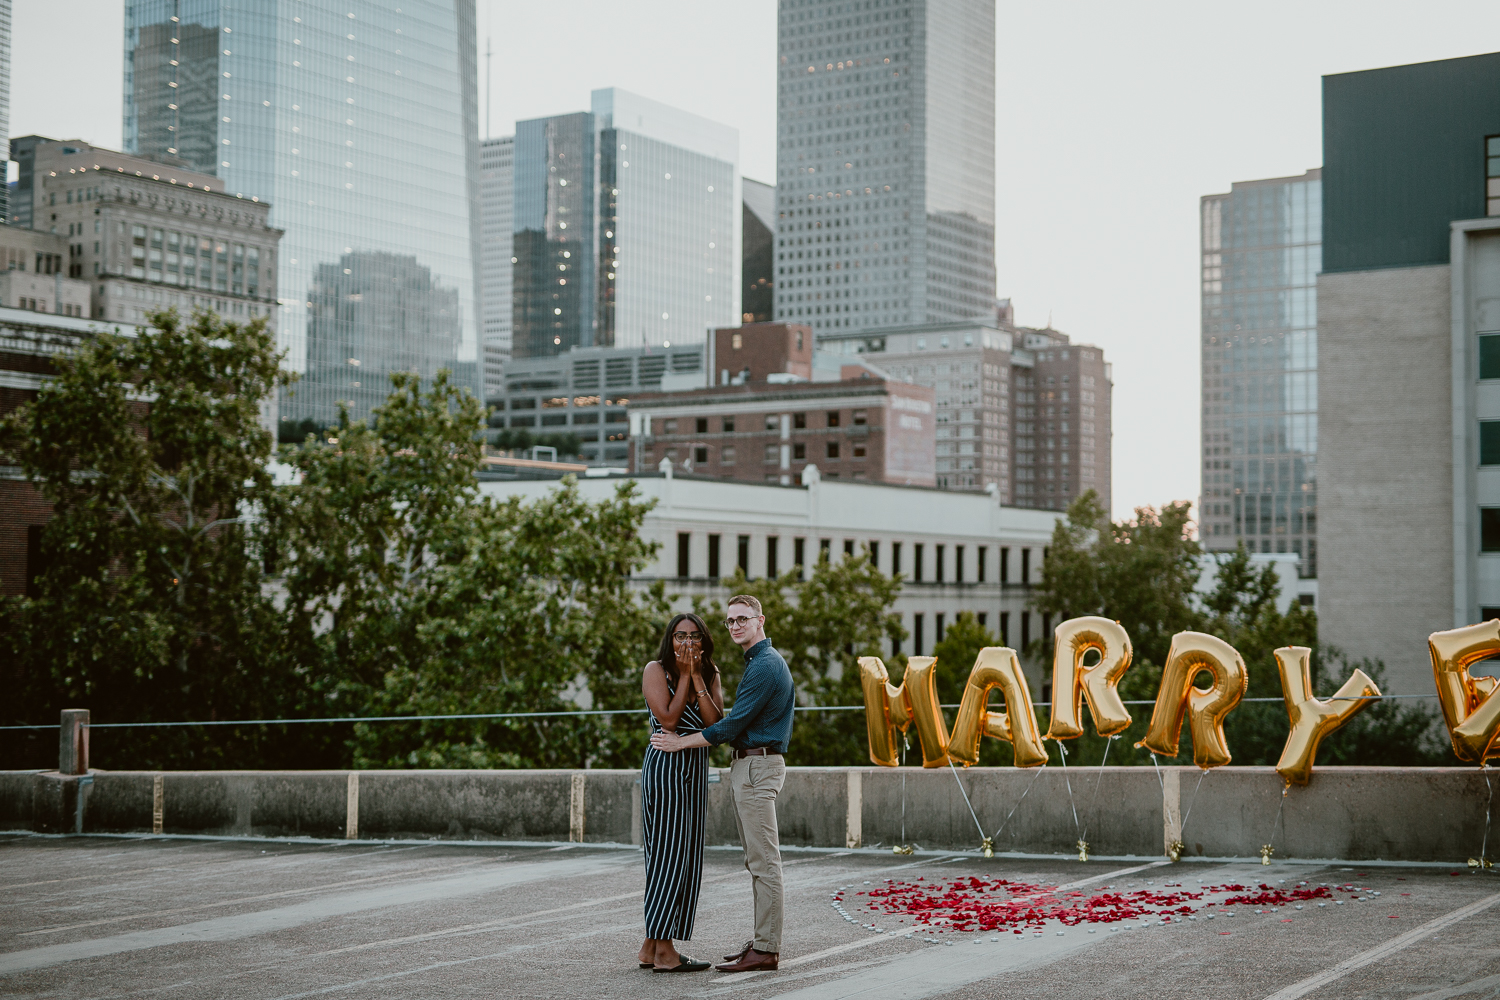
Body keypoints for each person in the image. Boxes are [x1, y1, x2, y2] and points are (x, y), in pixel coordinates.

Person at [650, 594, 794, 974]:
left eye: (742, 619)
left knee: (764, 862)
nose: (735, 626)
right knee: (755, 860)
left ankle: (765, 948)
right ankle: (759, 942)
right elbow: (677, 718)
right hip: (744, 767)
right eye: (730, 621)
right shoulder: (757, 663)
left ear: (760, 620)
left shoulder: (764, 665)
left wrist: (681, 741)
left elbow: (729, 726)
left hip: (757, 766)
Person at [637, 612, 724, 973]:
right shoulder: (655, 670)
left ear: (704, 641)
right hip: (665, 770)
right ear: (670, 640)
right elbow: (669, 720)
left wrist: (699, 678)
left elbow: (715, 725)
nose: (687, 642)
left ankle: (649, 947)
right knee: (665, 857)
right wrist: (686, 676)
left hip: (694, 768)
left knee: (684, 856)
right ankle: (666, 951)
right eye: (679, 635)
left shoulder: (712, 674)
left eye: (694, 635)